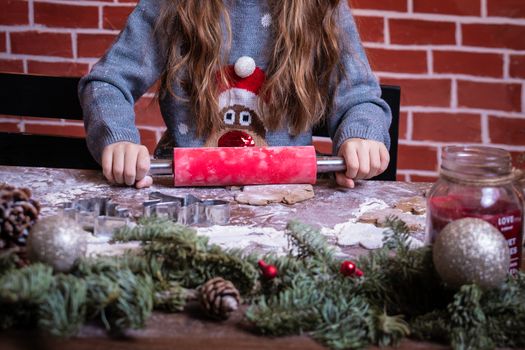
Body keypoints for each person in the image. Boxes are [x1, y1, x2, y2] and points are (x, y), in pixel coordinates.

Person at [79, 0, 391, 189]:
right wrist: (118, 138)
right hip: (185, 200)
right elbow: (107, 82)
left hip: (289, 200)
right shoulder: (172, 6)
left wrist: (361, 136)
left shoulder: (321, 7)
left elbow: (360, 97)